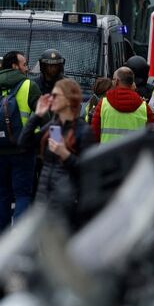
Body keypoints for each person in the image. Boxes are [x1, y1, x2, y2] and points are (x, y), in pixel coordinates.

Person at [18, 78, 92, 215]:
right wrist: (37, 115)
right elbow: (23, 144)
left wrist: (66, 155)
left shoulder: (83, 130)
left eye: (56, 95)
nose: (52, 99)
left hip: (67, 204)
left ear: (70, 99)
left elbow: (88, 171)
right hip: (44, 201)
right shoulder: (54, 127)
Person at [0, 50, 40, 236]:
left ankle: (3, 238)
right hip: (23, 149)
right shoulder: (29, 86)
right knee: (23, 194)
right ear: (15, 66)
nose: (27, 68)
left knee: (2, 194)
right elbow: (44, 116)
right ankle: (17, 238)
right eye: (24, 64)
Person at [91, 67, 154, 143]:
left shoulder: (103, 104)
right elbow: (152, 134)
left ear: (117, 81)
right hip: (135, 154)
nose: (112, 81)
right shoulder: (144, 107)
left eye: (113, 79)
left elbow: (94, 134)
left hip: (108, 153)